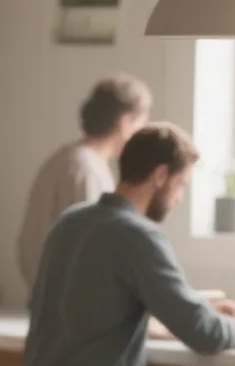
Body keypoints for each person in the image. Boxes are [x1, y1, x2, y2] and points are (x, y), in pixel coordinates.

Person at [20, 123, 235, 366]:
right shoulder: (138, 235)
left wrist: (179, 315)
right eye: (182, 184)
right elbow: (205, 334)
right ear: (160, 176)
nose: (180, 198)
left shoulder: (70, 222)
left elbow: (88, 309)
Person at [16, 75, 153, 292]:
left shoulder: (68, 159)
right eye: (140, 125)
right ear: (126, 122)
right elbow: (92, 250)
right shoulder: (84, 169)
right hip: (69, 304)